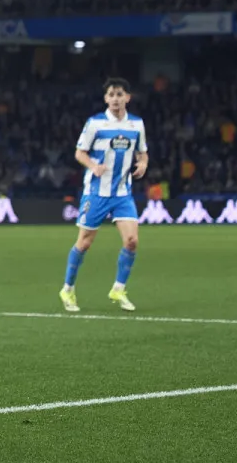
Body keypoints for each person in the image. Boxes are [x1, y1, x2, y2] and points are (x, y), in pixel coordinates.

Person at [60, 77, 148, 313]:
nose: (115, 99)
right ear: (105, 99)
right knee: (85, 243)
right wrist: (93, 166)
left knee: (132, 241)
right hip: (96, 193)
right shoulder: (95, 124)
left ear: (128, 98)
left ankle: (118, 289)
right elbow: (80, 153)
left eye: (120, 94)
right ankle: (67, 289)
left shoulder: (137, 125)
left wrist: (143, 164)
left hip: (122, 193)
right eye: (111, 95)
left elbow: (143, 153)